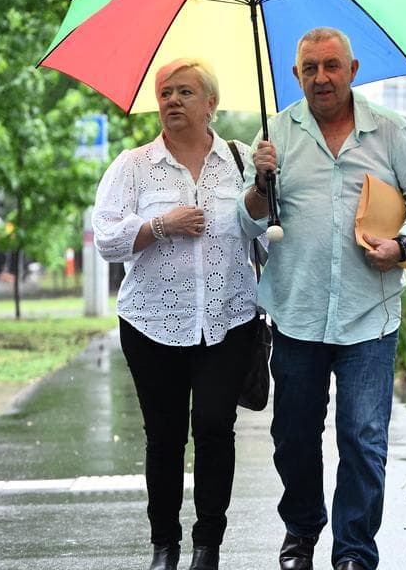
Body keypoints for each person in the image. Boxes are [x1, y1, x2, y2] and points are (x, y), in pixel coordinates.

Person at [240, 27, 406, 570]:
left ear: (352, 71)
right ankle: (303, 530)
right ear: (295, 75)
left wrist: (403, 243)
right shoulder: (274, 136)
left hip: (368, 313)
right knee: (292, 438)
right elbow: (247, 222)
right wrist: (262, 184)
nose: (321, 77)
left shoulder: (391, 132)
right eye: (310, 67)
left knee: (363, 438)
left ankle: (354, 550)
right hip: (296, 310)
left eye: (331, 66)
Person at [92, 58, 261, 570]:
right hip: (151, 323)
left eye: (184, 92)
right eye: (165, 93)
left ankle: (208, 545)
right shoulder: (133, 164)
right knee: (164, 436)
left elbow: (259, 228)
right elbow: (106, 239)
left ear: (211, 103)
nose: (171, 101)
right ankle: (164, 544)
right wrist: (159, 225)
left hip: (228, 318)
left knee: (214, 426)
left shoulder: (241, 158)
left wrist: (264, 183)